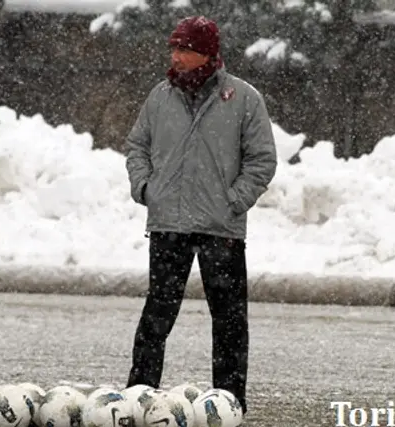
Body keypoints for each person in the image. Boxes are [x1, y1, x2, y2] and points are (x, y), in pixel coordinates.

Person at [124, 15, 277, 416]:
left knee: (228, 321)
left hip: (220, 229)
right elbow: (136, 146)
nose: (176, 56)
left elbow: (262, 160)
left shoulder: (244, 99)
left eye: (185, 49)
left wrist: (234, 200)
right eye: (173, 48)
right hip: (168, 224)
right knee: (156, 315)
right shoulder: (160, 96)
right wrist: (145, 188)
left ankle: (229, 402)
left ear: (207, 53)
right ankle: (138, 394)